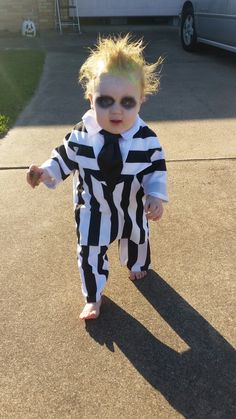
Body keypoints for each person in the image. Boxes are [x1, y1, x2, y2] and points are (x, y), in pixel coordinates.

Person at [27, 34, 168, 320]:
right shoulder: (81, 134)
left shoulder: (146, 139)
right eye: (105, 101)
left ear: (142, 100)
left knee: (137, 236)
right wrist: (45, 172)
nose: (116, 110)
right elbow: (63, 156)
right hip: (93, 207)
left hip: (131, 206)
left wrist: (155, 195)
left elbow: (156, 168)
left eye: (127, 102)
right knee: (90, 251)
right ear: (91, 99)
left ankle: (136, 263)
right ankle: (93, 296)